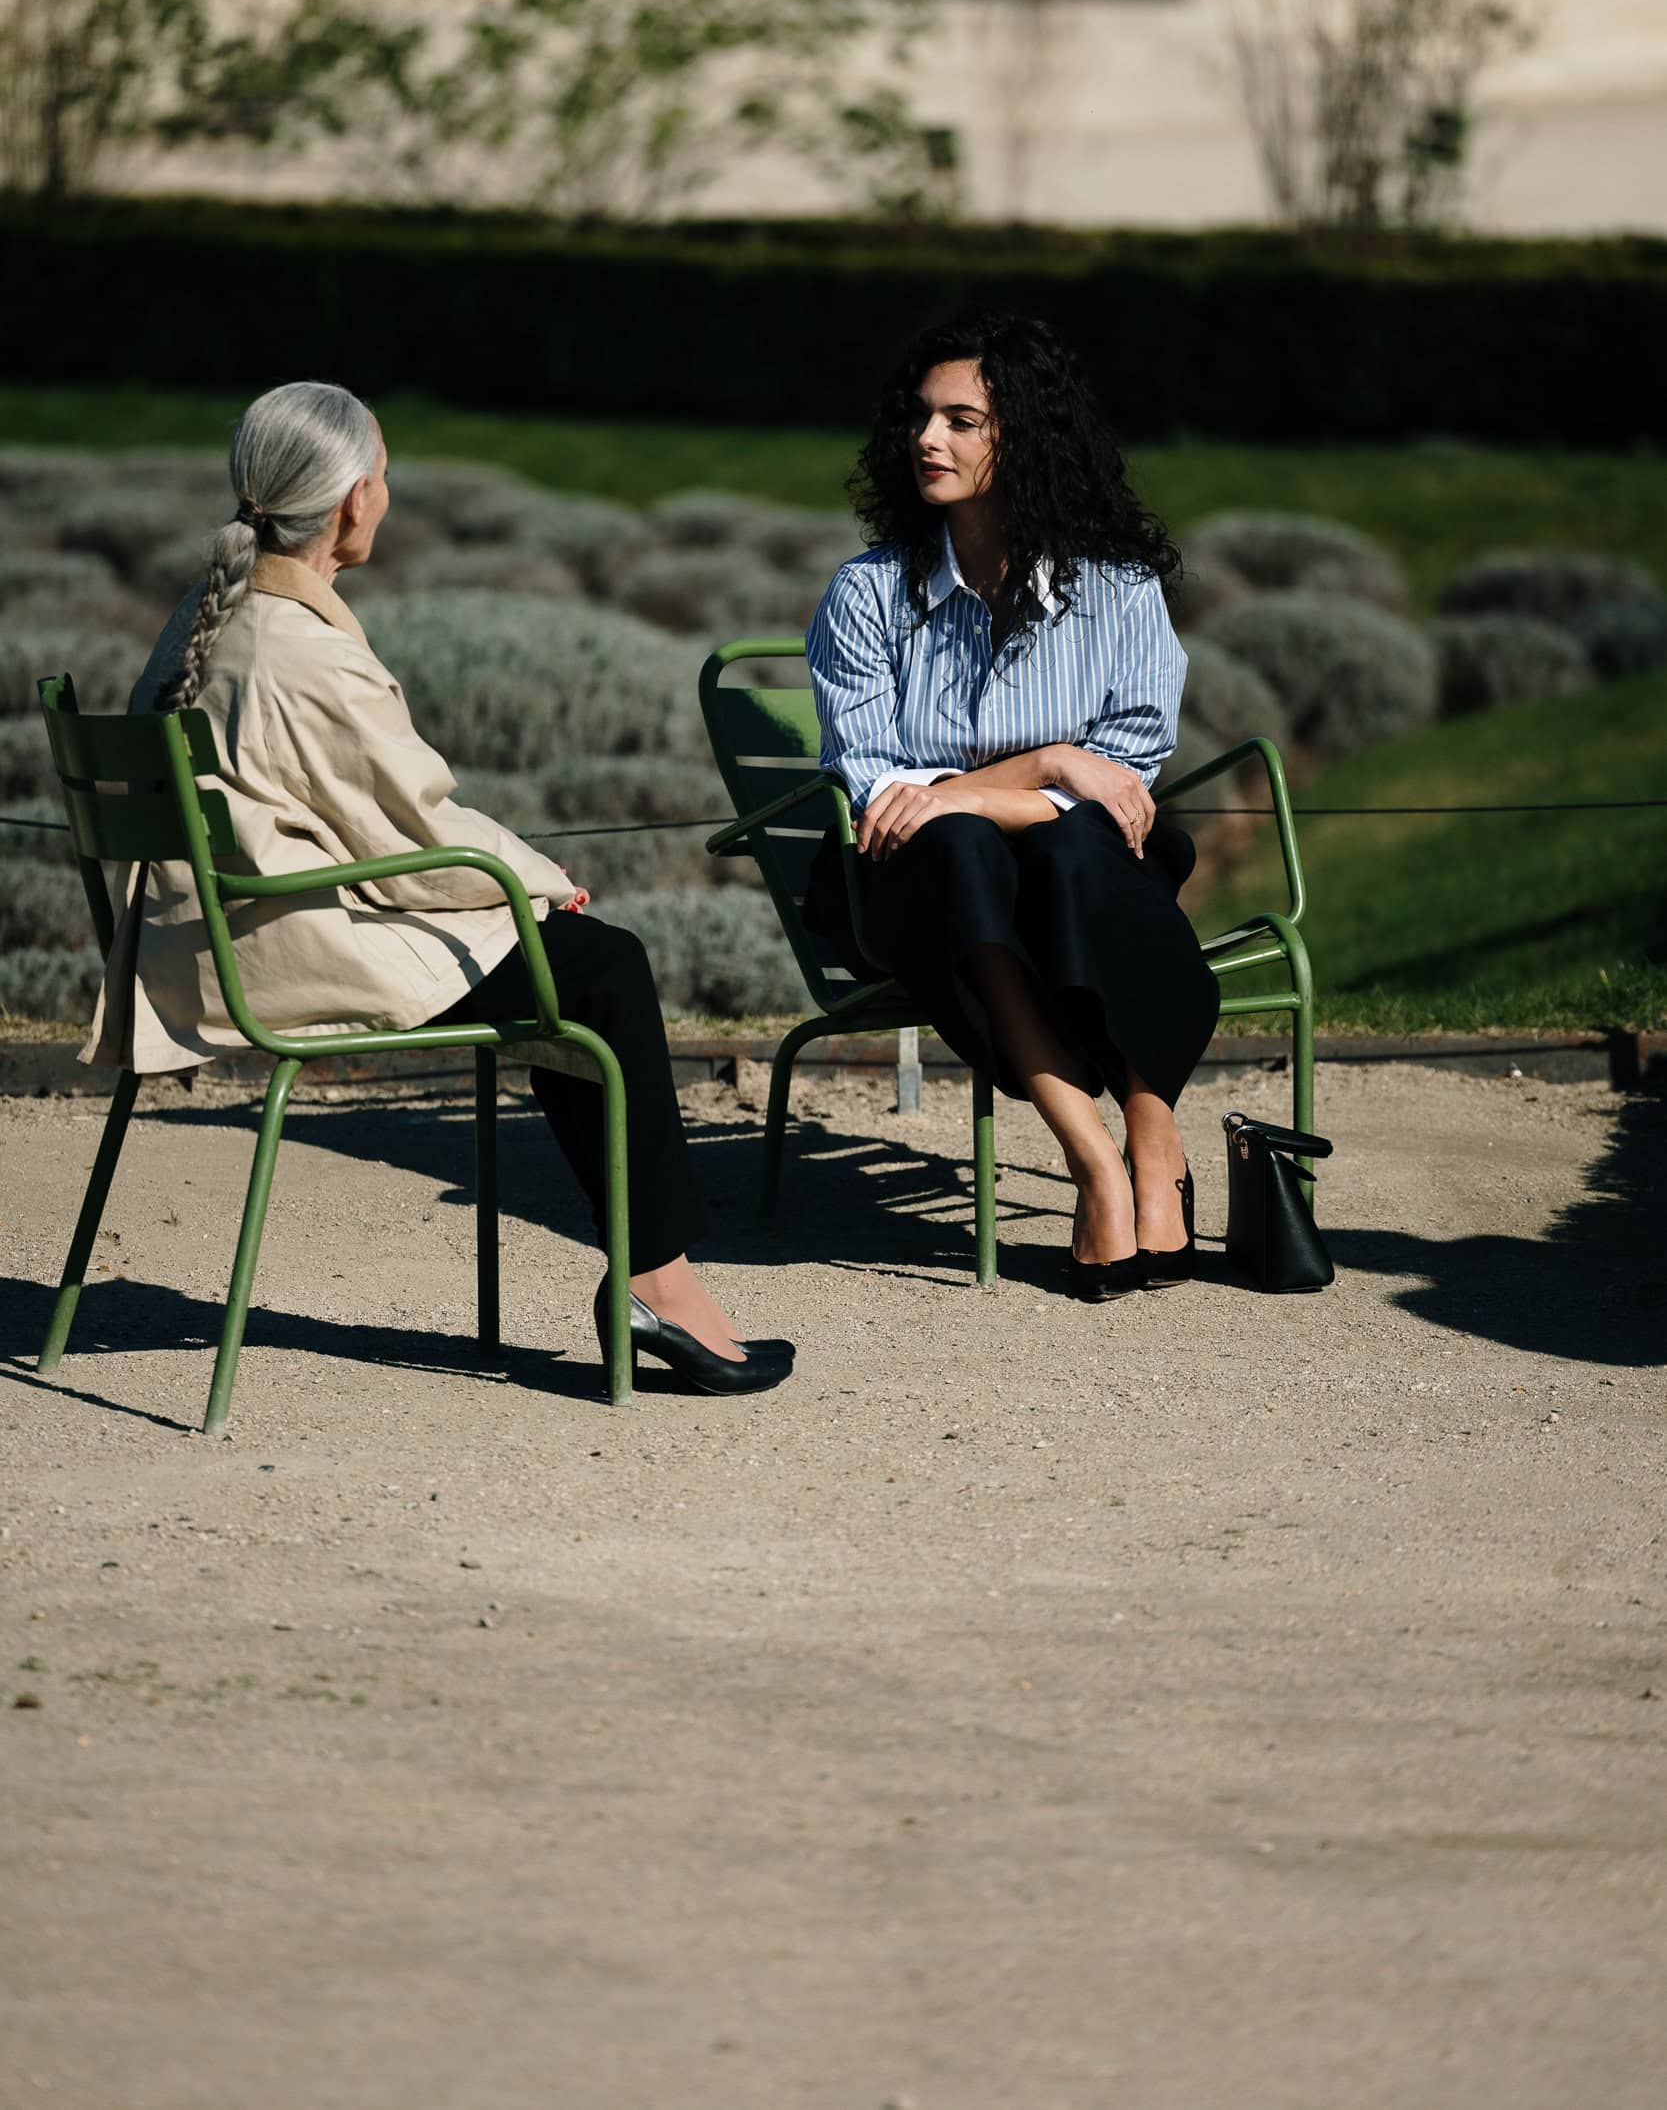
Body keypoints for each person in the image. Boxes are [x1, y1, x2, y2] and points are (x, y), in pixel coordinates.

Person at [84, 381, 791, 1396]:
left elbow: (360, 819)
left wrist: (524, 898)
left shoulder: (207, 613)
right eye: (383, 472)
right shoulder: (303, 652)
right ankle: (661, 1287)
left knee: (569, 970)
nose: (388, 490)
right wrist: (539, 883)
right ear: (351, 502)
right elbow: (414, 821)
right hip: (275, 950)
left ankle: (654, 1281)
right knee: (602, 968)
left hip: (218, 933)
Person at [804, 312, 1219, 1296]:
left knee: (1078, 853)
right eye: (918, 419)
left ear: (1022, 440)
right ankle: (1090, 1156)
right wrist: (1045, 764)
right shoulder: (867, 595)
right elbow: (878, 790)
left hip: (1078, 863)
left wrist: (990, 792)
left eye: (960, 421)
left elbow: (1124, 783)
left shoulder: (1116, 589)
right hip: (911, 886)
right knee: (961, 854)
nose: (926, 440)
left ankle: (1150, 1144)